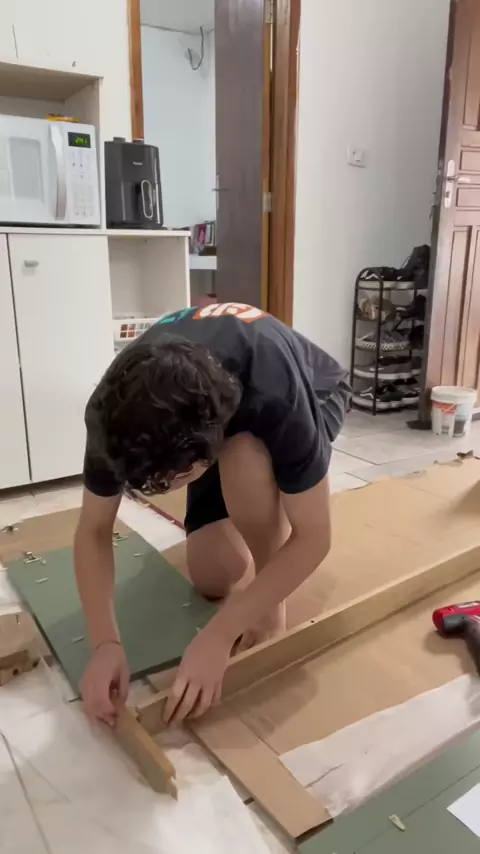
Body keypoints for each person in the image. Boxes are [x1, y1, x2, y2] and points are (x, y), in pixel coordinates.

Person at [75, 302, 350, 727]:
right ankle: (252, 517)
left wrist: (222, 633)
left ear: (203, 454)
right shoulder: (115, 414)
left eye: (172, 481)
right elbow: (93, 530)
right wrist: (104, 643)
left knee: (245, 459)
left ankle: (270, 601)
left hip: (316, 388)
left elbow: (315, 537)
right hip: (209, 410)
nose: (164, 492)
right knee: (214, 576)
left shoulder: (274, 391)